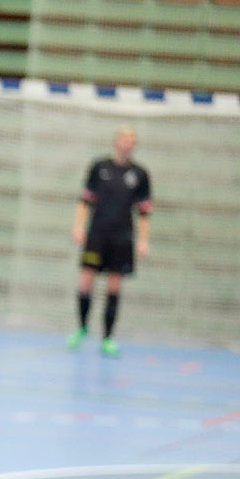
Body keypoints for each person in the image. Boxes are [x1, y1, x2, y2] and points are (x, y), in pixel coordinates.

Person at [68, 126, 151, 357]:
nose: (127, 144)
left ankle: (107, 338)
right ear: (116, 142)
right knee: (86, 282)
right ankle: (82, 328)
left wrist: (143, 240)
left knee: (114, 287)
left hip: (122, 238)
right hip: (97, 235)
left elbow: (144, 212)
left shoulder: (140, 174)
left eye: (132, 140)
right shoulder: (99, 167)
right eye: (124, 139)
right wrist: (78, 226)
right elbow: (85, 201)